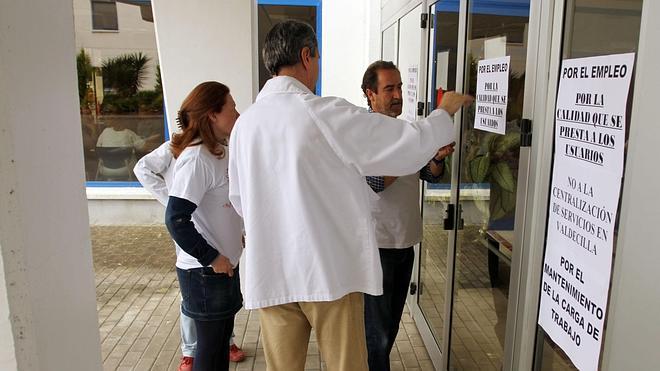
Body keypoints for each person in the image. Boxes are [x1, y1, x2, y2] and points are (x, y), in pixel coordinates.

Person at [228, 20, 472, 371]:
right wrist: (444, 111)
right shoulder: (321, 113)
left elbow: (240, 200)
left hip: (272, 271)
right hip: (328, 272)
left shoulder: (245, 125)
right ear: (306, 56)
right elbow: (405, 143)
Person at [360, 60, 455, 371]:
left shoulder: (407, 130)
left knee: (390, 328)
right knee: (377, 334)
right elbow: (376, 183)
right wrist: (413, 149)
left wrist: (436, 157)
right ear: (369, 93)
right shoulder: (365, 134)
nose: (397, 94)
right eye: (389, 88)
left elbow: (430, 174)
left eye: (399, 87)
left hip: (405, 242)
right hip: (377, 246)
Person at [133, 141, 246, 371]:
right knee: (206, 334)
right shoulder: (186, 153)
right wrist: (170, 198)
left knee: (218, 335)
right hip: (201, 258)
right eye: (230, 109)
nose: (235, 114)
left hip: (224, 259)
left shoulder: (222, 150)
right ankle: (189, 351)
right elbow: (144, 171)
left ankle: (227, 343)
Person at [164, 81, 243, 371]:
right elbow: (176, 219)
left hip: (221, 269)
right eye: (232, 108)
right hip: (205, 274)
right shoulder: (197, 158)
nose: (237, 114)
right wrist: (213, 257)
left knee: (218, 349)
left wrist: (236, 234)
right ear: (212, 114)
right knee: (209, 355)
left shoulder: (217, 152)